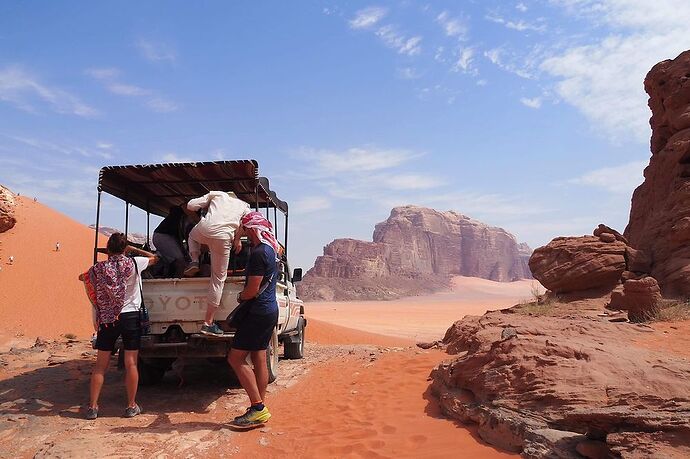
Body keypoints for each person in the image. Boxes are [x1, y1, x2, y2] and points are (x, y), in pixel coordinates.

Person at [81, 233, 157, 420]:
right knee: (131, 362)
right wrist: (133, 250)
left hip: (108, 318)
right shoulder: (134, 263)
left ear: (108, 249)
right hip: (130, 316)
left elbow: (82, 278)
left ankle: (92, 407)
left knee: (100, 365)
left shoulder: (99, 268)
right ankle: (131, 406)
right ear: (124, 248)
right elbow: (155, 259)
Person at [227, 211, 280, 429]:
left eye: (246, 229)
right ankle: (260, 407)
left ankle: (257, 408)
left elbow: (251, 290)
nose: (244, 232)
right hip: (269, 310)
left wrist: (240, 297)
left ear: (252, 230)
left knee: (236, 359)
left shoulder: (259, 253)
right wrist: (239, 234)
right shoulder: (270, 249)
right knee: (259, 357)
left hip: (257, 312)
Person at [184, 191, 250, 336]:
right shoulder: (244, 206)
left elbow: (190, 205)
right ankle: (208, 323)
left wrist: (205, 206)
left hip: (205, 229)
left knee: (191, 236)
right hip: (224, 236)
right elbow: (246, 223)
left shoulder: (217, 194)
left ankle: (194, 260)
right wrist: (238, 239)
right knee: (218, 279)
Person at [152, 205, 197, 277]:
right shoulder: (182, 215)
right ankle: (179, 280)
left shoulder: (184, 219)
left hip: (164, 236)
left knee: (179, 260)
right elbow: (185, 235)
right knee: (180, 260)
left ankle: (176, 278)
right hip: (163, 236)